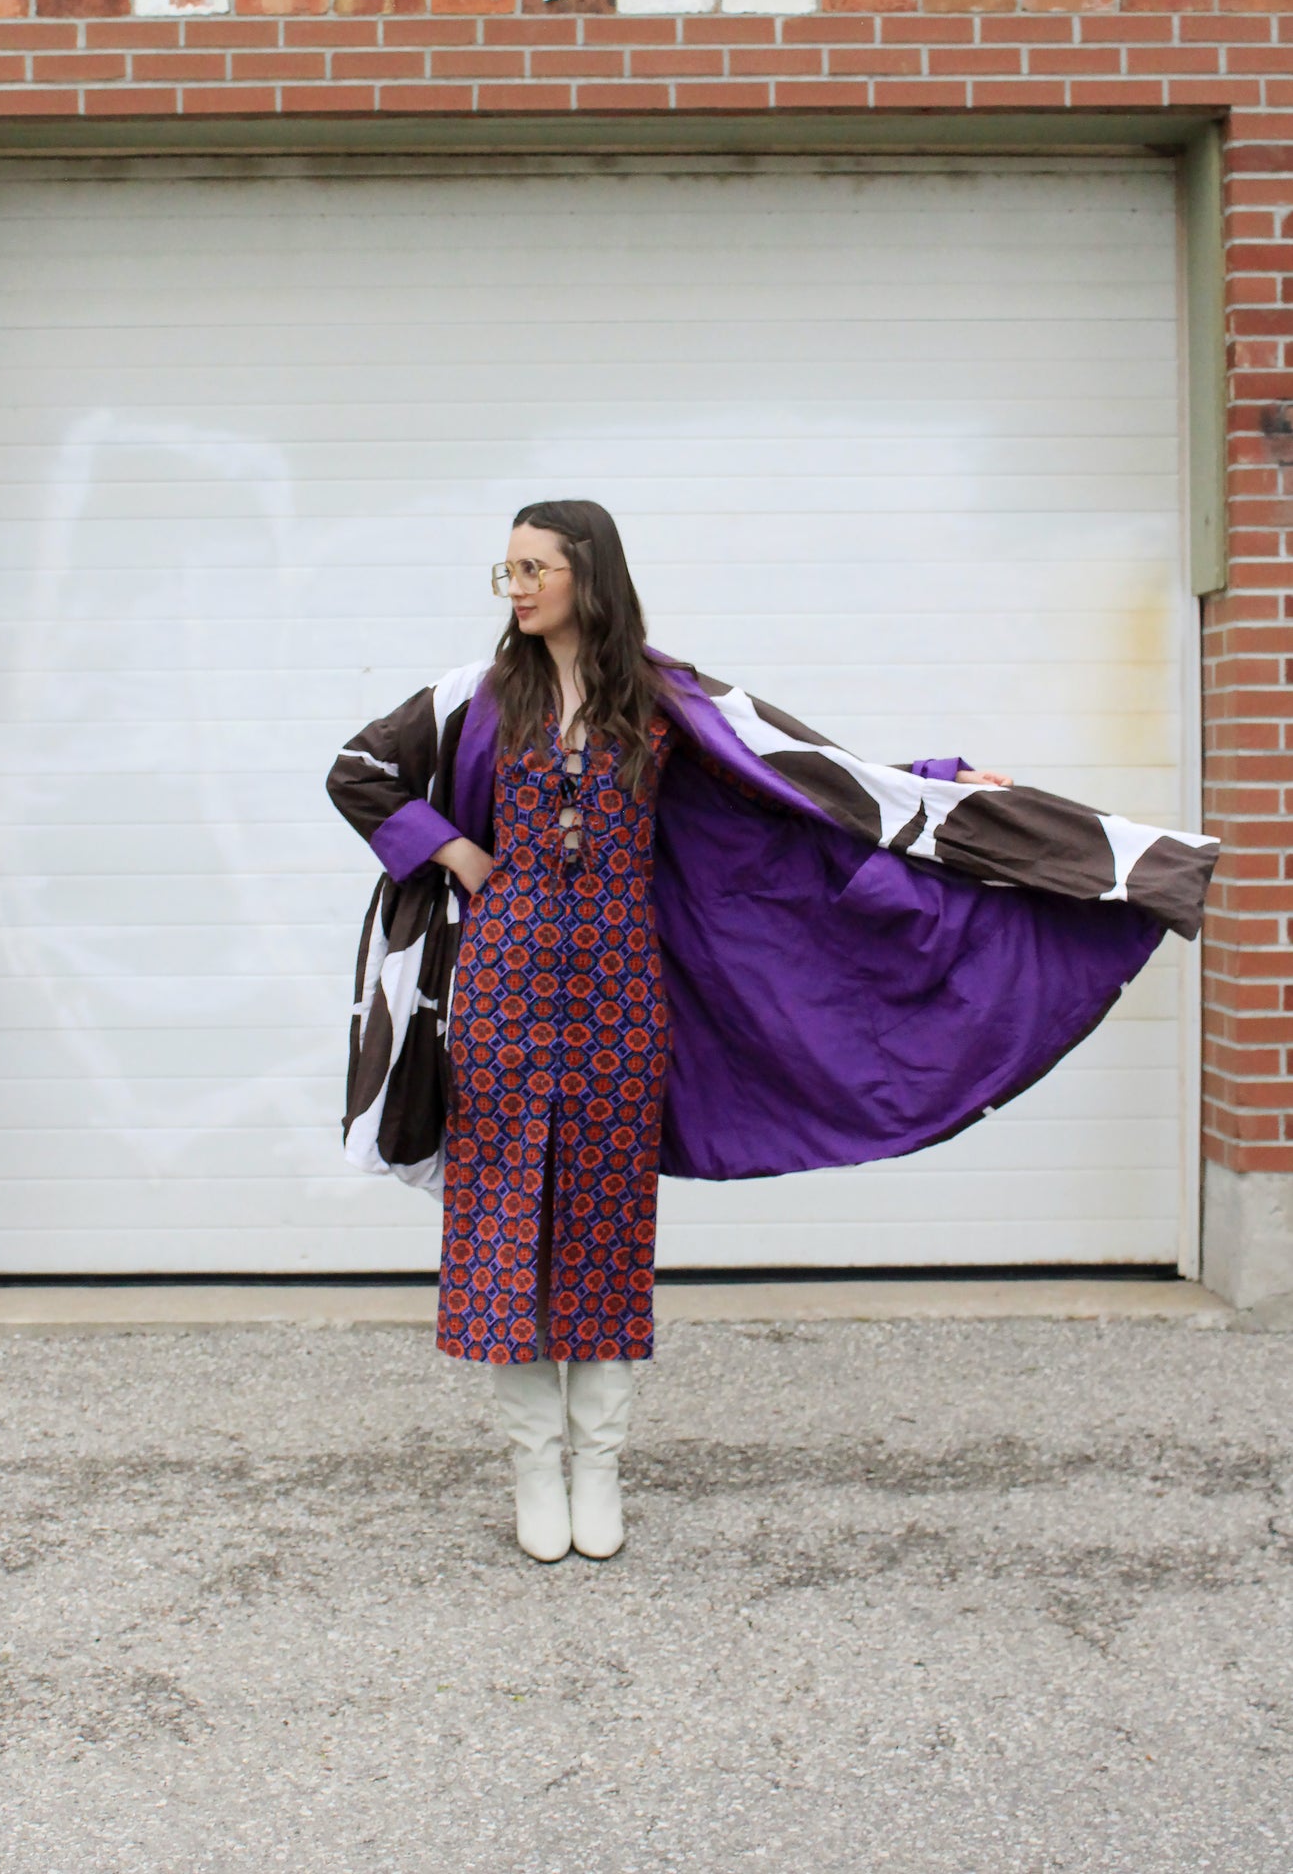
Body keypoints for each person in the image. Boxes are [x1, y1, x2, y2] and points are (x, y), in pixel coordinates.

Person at [326, 500, 1218, 1565]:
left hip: (620, 991)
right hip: (504, 995)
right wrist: (455, 854)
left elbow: (810, 778)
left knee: (606, 1227)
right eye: (505, 569)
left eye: (532, 568)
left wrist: (942, 788)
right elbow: (356, 769)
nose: (513, 587)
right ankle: (533, 1464)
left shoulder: (662, 697)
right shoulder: (471, 698)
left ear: (587, 577)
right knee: (504, 1225)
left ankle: (598, 1462)